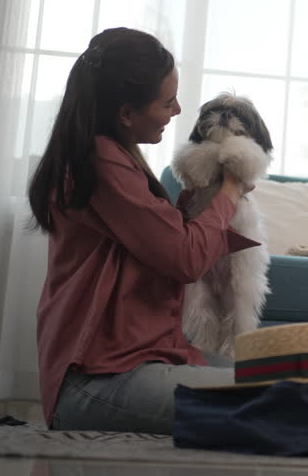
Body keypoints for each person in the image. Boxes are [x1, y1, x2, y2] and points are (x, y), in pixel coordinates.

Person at [27, 28, 256, 434]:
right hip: (97, 381)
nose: (179, 110)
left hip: (140, 359)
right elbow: (186, 258)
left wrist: (201, 200)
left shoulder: (111, 155)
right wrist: (231, 190)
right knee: (280, 399)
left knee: (286, 382)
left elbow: (162, 242)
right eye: (167, 102)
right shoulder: (101, 162)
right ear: (126, 113)